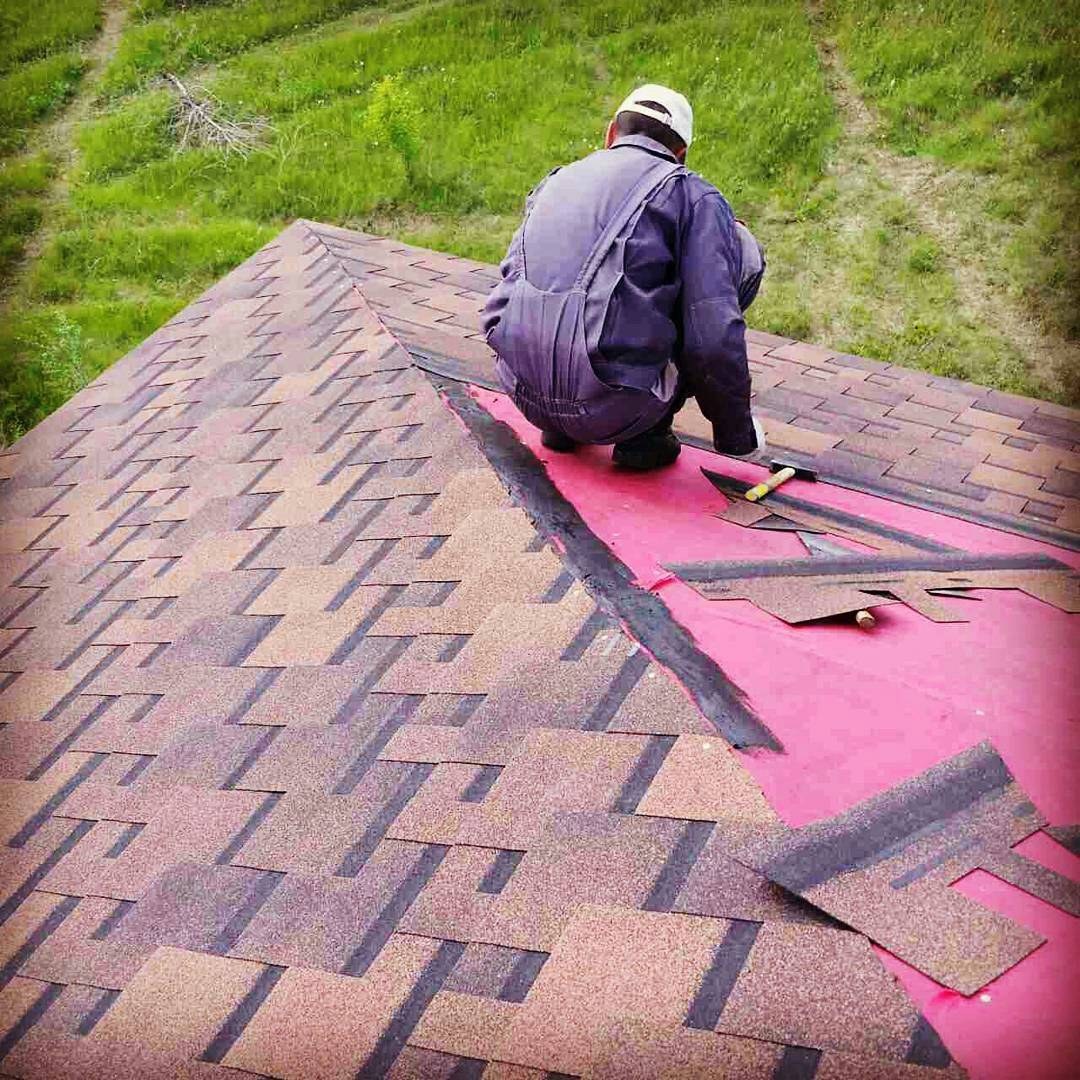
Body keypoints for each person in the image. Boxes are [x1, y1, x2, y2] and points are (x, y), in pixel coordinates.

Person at [482, 84, 766, 471]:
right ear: (681, 154)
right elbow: (714, 337)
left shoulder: (558, 179)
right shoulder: (691, 194)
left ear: (611, 133)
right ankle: (644, 438)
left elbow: (509, 287)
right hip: (615, 410)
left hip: (524, 393)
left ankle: (560, 427)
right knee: (739, 247)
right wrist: (737, 435)